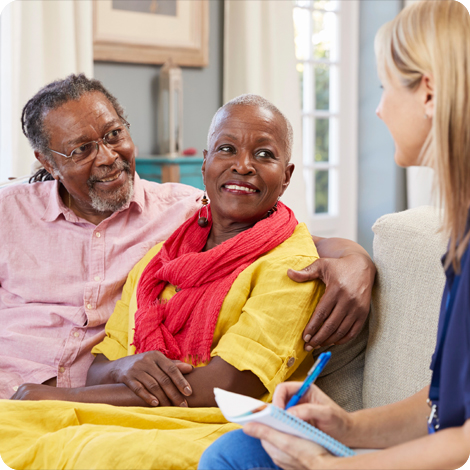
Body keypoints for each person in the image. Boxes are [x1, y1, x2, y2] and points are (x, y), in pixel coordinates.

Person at [4, 95, 355, 469]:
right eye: (226, 149)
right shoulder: (161, 258)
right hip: (137, 418)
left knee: (73, 448)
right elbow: (101, 365)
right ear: (205, 164)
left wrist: (356, 258)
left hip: (211, 425)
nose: (243, 166)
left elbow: (227, 388)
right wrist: (124, 367)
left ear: (286, 176)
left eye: (265, 155)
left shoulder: (292, 263)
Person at [198, 2, 470, 469]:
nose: (380, 110)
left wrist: (329, 467)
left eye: (385, 87)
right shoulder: (459, 241)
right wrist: (342, 423)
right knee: (237, 450)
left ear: (427, 92)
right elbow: (443, 406)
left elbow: (462, 440)